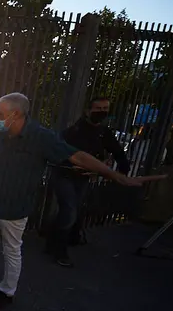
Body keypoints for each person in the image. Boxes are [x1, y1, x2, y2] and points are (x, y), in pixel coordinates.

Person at [0, 93, 143, 310]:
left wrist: (114, 175)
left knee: (11, 250)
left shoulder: (41, 137)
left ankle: (7, 292)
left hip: (15, 207)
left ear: (15, 114)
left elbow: (78, 156)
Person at [46, 96, 131, 268]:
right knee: (69, 210)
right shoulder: (74, 131)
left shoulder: (104, 132)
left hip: (83, 178)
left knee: (72, 209)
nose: (102, 112)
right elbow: (59, 152)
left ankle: (53, 241)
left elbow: (118, 152)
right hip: (65, 175)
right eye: (98, 109)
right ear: (87, 111)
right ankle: (59, 250)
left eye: (105, 109)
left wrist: (123, 171)